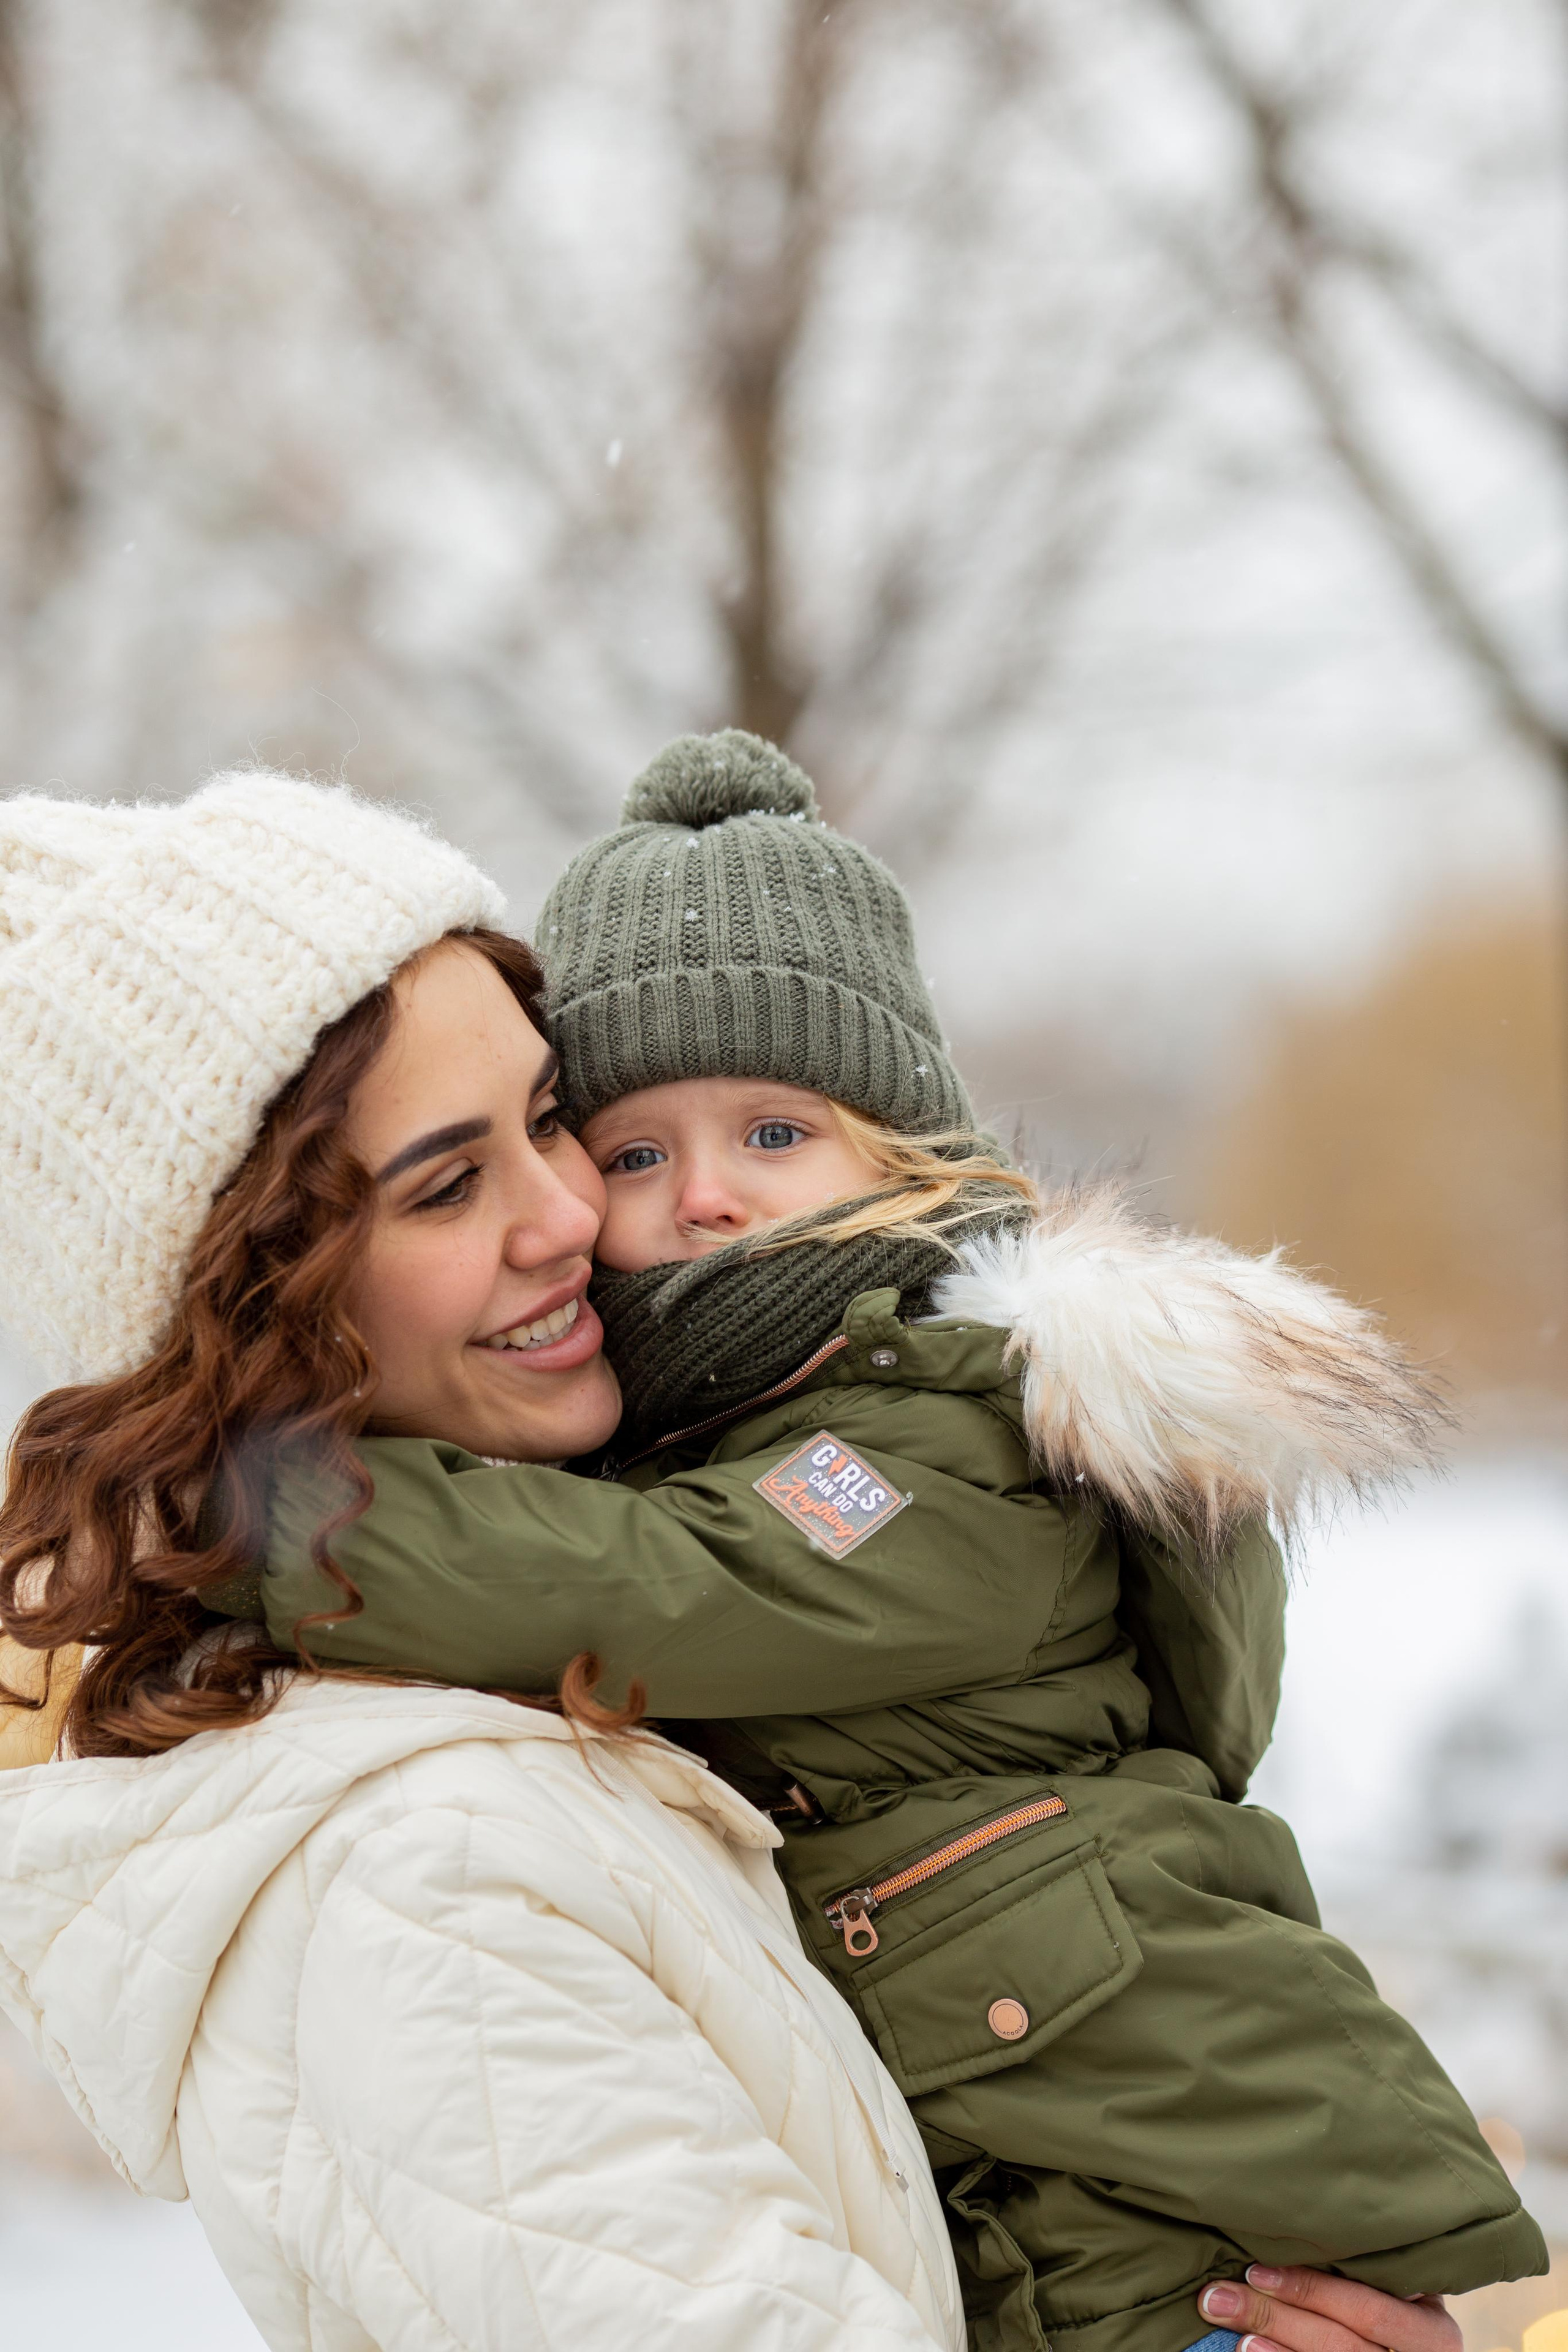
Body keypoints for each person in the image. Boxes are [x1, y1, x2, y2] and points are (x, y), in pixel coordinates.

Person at [243, 733, 1546, 2352]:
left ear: (902, 1152)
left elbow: (666, 1586)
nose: (704, 1198)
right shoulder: (734, 1432)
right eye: (638, 1152)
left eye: (775, 1134)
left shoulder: (941, 1439)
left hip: (1177, 2251)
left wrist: (264, 1514)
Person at [0, 770, 964, 2351]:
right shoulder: (425, 1879)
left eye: (547, 1117)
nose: (576, 1209)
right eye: (450, 1185)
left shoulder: (555, 1672)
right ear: (256, 1317)